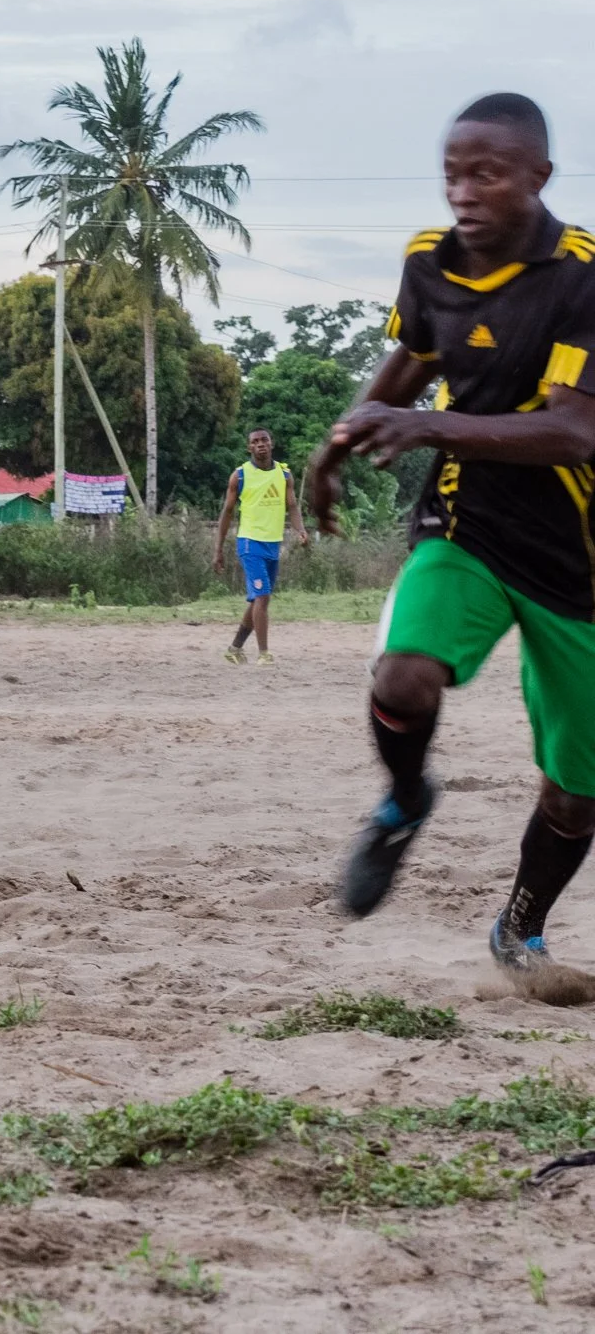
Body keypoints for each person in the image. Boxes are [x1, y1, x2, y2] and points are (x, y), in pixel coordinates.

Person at [310, 94, 595, 973]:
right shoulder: (427, 262)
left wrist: (429, 426)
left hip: (575, 553)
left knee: (579, 791)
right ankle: (403, 801)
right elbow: (412, 360)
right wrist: (341, 440)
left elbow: (573, 431)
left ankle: (520, 925)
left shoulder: (582, 275)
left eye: (487, 174)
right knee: (404, 672)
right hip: (466, 521)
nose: (462, 193)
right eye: (451, 173)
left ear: (538, 177)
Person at [211, 427, 309, 664]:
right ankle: (264, 654)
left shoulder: (284, 475)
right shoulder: (240, 476)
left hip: (273, 545)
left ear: (271, 443)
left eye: (264, 440)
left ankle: (234, 649)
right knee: (263, 597)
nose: (260, 444)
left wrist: (301, 530)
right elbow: (227, 512)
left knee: (258, 600)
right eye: (255, 441)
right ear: (249, 447)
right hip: (249, 543)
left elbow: (293, 507)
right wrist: (218, 549)